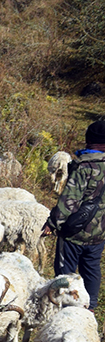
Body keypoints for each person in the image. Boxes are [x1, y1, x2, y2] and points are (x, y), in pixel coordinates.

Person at [42, 120, 105, 311]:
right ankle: (90, 307)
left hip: (74, 233)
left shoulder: (84, 166)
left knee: (66, 273)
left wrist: (52, 223)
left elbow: (69, 201)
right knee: (92, 269)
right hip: (100, 232)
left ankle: (65, 308)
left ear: (89, 140)